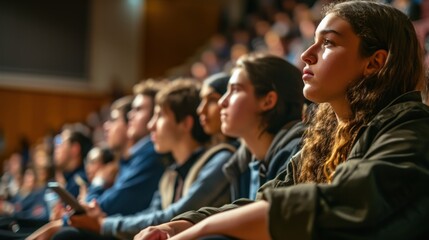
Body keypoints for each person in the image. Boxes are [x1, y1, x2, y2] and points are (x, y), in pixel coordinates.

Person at [134, 1, 429, 239]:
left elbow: (341, 203)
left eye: (327, 43)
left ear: (374, 62)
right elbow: (264, 201)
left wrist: (203, 229)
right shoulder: (324, 138)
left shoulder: (411, 126)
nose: (306, 55)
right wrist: (178, 226)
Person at [50, 79, 234, 240]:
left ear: (185, 124)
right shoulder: (171, 172)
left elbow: (175, 216)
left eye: (159, 116)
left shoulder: (218, 160)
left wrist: (103, 223)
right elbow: (151, 214)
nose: (151, 125)